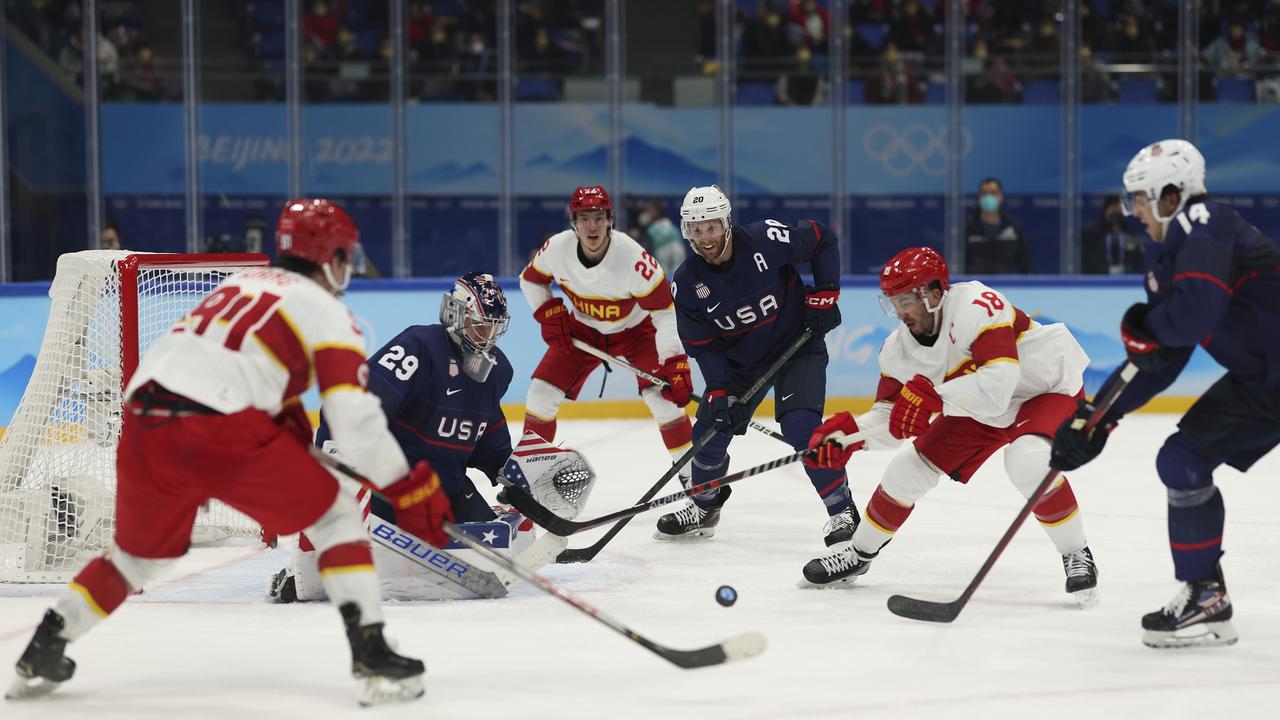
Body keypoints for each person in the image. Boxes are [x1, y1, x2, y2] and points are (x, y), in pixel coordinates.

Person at [5, 199, 447, 706]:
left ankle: (45, 643)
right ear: (329, 257)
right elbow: (356, 421)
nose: (348, 268)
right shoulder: (326, 311)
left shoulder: (234, 288)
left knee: (134, 558)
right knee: (338, 517)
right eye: (345, 256)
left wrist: (290, 433)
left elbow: (240, 376)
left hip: (145, 426)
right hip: (219, 429)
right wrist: (404, 483)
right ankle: (372, 652)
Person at [1051, 139, 1280, 649]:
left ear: (1171, 196)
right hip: (1265, 383)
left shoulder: (1207, 224)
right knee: (1182, 460)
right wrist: (1097, 416)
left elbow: (1191, 315)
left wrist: (1146, 323)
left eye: (1139, 198)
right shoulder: (1169, 257)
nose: (1131, 211)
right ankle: (1205, 595)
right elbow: (1160, 357)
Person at [802, 246, 1099, 601]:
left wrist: (934, 397)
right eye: (893, 302)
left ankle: (1075, 551)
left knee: (1027, 461)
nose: (900, 312)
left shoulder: (977, 304)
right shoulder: (896, 350)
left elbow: (999, 383)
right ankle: (859, 553)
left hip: (1045, 389)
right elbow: (889, 419)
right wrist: (850, 437)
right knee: (906, 470)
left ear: (934, 292)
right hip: (977, 407)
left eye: (906, 301)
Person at [267, 272, 554, 602]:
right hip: (393, 490)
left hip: (446, 492)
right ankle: (305, 563)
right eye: (479, 324)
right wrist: (337, 469)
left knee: (497, 555)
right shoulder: (418, 347)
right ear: (455, 315)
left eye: (493, 327)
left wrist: (522, 479)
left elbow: (486, 437)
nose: (487, 337)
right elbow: (355, 406)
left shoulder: (496, 371)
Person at [657, 185, 857, 549]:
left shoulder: (767, 238)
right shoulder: (687, 283)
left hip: (798, 346)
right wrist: (718, 388)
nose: (706, 238)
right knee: (708, 433)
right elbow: (705, 347)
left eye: (712, 227)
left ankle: (842, 510)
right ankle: (705, 505)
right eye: (697, 230)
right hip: (741, 365)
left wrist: (826, 292)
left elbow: (822, 239)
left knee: (801, 427)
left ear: (727, 222)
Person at [519, 186, 696, 487]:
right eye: (584, 218)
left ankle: (697, 485)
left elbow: (665, 312)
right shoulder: (556, 249)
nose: (592, 226)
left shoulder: (633, 259)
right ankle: (528, 481)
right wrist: (547, 311)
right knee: (540, 395)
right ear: (573, 222)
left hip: (637, 333)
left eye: (599, 217)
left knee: (663, 402)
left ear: (610, 220)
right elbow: (530, 280)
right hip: (583, 332)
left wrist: (675, 361)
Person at [964, 177, 1032, 274]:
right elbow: (962, 263)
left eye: (993, 193)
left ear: (1001, 196)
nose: (988, 197)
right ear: (979, 197)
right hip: (977, 285)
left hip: (1008, 285)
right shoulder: (968, 228)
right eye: (984, 193)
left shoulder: (1013, 226)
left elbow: (1025, 260)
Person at [1082, 194, 1147, 275]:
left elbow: (1139, 262)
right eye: (1113, 210)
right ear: (1105, 211)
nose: (1116, 215)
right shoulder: (1091, 234)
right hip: (1098, 277)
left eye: (1118, 211)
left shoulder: (1132, 234)